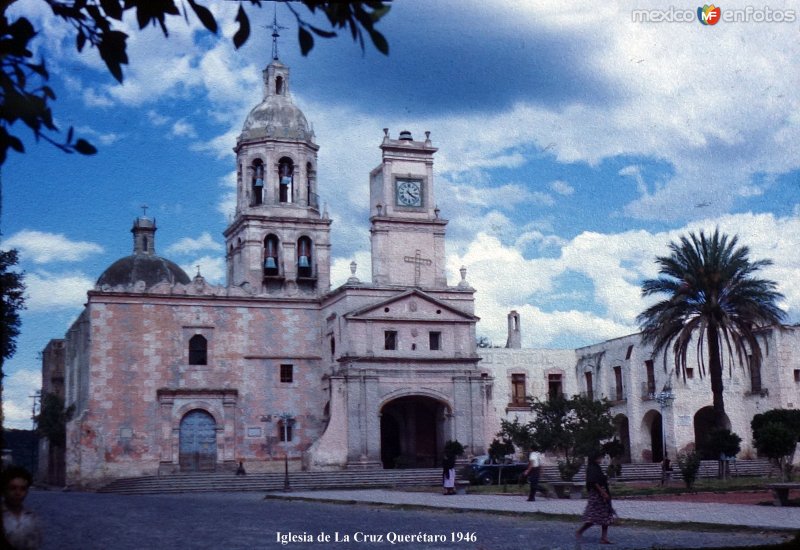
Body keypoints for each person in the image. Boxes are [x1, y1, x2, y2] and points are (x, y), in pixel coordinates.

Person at [576, 451, 615, 545]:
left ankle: (604, 538)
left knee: (606, 516)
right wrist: (603, 493)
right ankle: (580, 531)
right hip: (596, 495)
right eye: (599, 458)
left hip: (602, 493)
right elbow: (593, 482)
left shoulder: (597, 468)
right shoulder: (592, 468)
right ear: (594, 458)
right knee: (593, 517)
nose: (601, 459)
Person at [2, 465, 42, 550]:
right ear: (4, 490)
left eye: (23, 489)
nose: (18, 493)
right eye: (13, 488)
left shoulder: (32, 518)